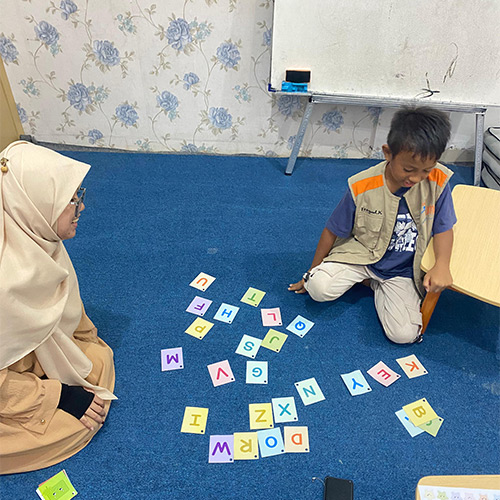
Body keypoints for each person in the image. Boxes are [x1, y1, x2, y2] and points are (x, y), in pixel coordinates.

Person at [288, 106, 456, 344]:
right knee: (317, 287)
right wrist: (310, 272)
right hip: (362, 258)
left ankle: (377, 286)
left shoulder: (438, 181)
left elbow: (444, 228)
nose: (416, 178)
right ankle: (367, 280)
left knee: (404, 335)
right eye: (408, 169)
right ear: (388, 153)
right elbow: (332, 230)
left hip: (402, 271)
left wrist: (442, 264)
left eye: (426, 171)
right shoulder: (362, 185)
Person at [0, 141, 116, 474]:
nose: (81, 207)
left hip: (29, 362)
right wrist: (59, 396)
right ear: (33, 205)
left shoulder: (37, 237)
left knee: (98, 360)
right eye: (71, 200)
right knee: (68, 427)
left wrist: (79, 346)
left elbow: (69, 313)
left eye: (78, 195)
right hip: (8, 386)